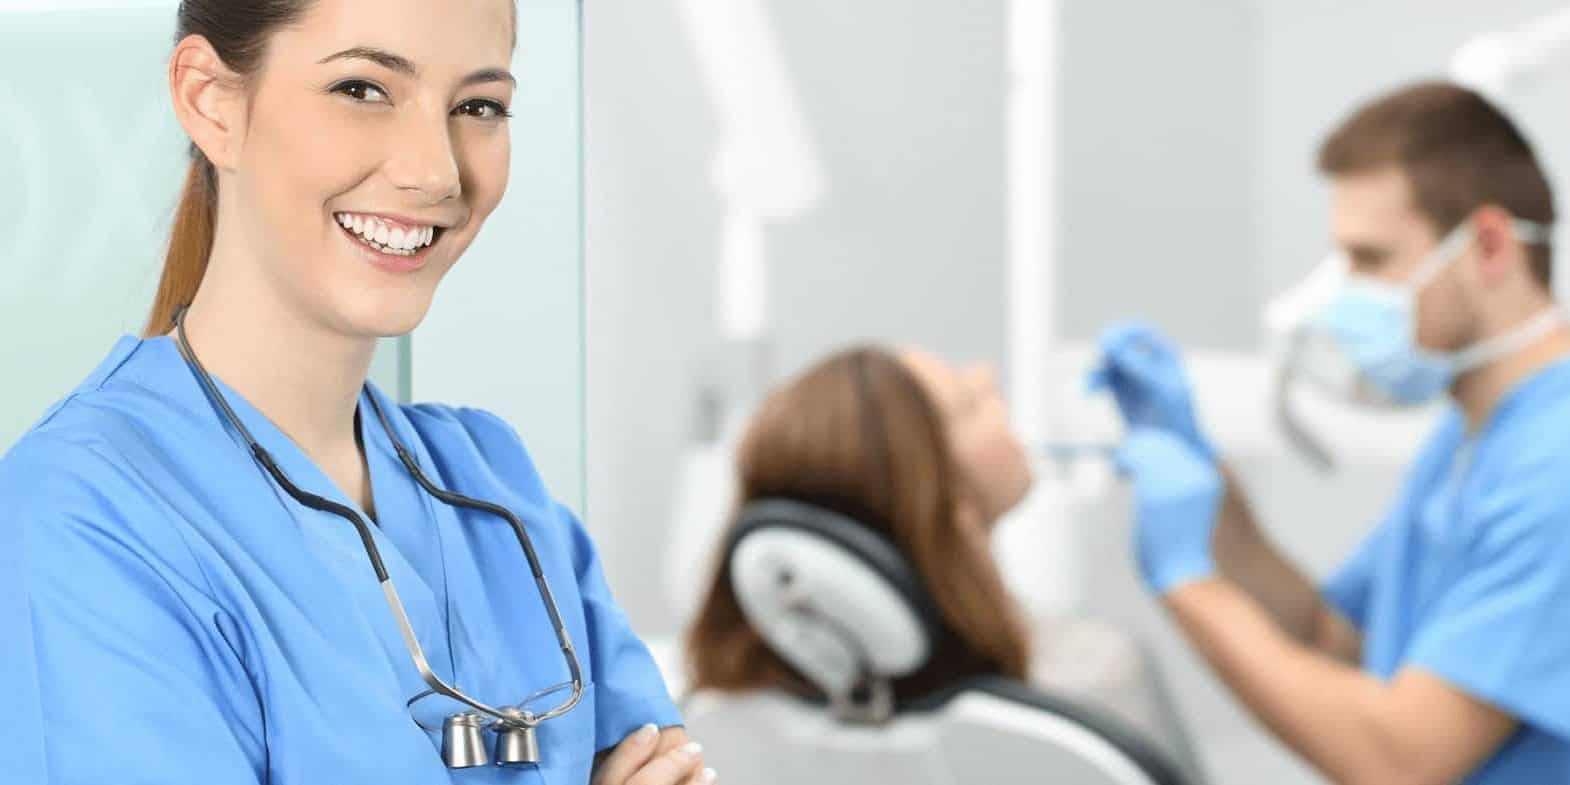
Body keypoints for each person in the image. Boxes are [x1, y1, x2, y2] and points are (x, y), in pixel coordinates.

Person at [0, 2, 710, 784]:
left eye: (479, 107)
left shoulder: (493, 481)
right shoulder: (83, 516)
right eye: (363, 89)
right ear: (210, 100)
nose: (436, 172)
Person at [1097, 81, 1570, 784]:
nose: (1345, 294)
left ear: (1491, 246)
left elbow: (1400, 758)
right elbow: (1330, 635)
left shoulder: (1554, 462)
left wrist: (1188, 582)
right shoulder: (1472, 434)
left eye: (1372, 259)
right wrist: (1207, 478)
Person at [683, 347, 1195, 762]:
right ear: (951, 507)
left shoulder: (710, 729)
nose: (988, 373)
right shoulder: (1088, 682)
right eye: (968, 403)